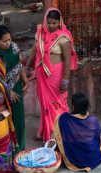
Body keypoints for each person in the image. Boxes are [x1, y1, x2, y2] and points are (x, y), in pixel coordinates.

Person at [25, 8, 78, 142]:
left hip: (57, 75)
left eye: (54, 23)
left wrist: (65, 80)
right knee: (45, 106)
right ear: (45, 21)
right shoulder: (41, 33)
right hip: (43, 75)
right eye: (49, 23)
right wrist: (27, 66)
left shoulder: (64, 37)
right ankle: (45, 133)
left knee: (58, 104)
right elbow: (34, 51)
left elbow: (67, 60)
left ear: (59, 22)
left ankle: (60, 134)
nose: (52, 26)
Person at [0, 26, 28, 151]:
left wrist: (25, 79)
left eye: (9, 39)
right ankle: (7, 154)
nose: (8, 43)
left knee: (18, 119)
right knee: (5, 119)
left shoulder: (14, 47)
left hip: (16, 91)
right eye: (4, 41)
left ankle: (20, 151)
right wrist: (8, 90)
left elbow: (19, 64)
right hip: (0, 96)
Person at [53, 92, 101, 172]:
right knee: (100, 139)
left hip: (75, 161)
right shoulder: (93, 120)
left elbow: (59, 137)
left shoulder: (63, 118)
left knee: (59, 140)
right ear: (86, 106)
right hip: (93, 158)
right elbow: (97, 137)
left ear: (73, 106)